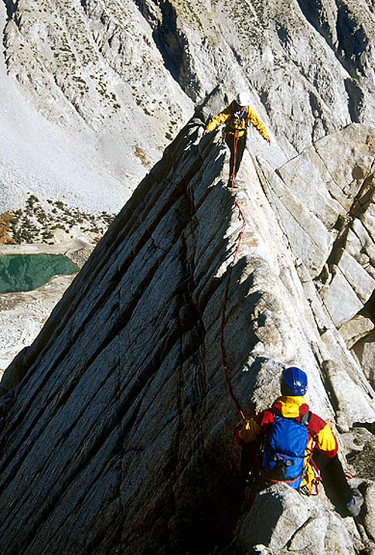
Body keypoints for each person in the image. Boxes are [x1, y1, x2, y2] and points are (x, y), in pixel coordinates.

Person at [234, 367, 364, 517]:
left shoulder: (268, 416)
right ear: (304, 390)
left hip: (267, 475)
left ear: (282, 388)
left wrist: (243, 425)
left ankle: (245, 487)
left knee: (250, 442)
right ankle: (349, 501)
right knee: (331, 459)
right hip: (297, 479)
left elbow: (241, 437)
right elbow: (331, 450)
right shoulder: (313, 421)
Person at [204, 92, 271, 182]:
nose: (240, 108)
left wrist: (265, 135)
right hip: (230, 135)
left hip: (242, 136)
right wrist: (209, 128)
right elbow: (220, 118)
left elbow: (257, 123)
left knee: (239, 157)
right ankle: (231, 178)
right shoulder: (231, 108)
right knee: (235, 155)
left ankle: (233, 176)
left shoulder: (248, 110)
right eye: (240, 106)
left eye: (242, 107)